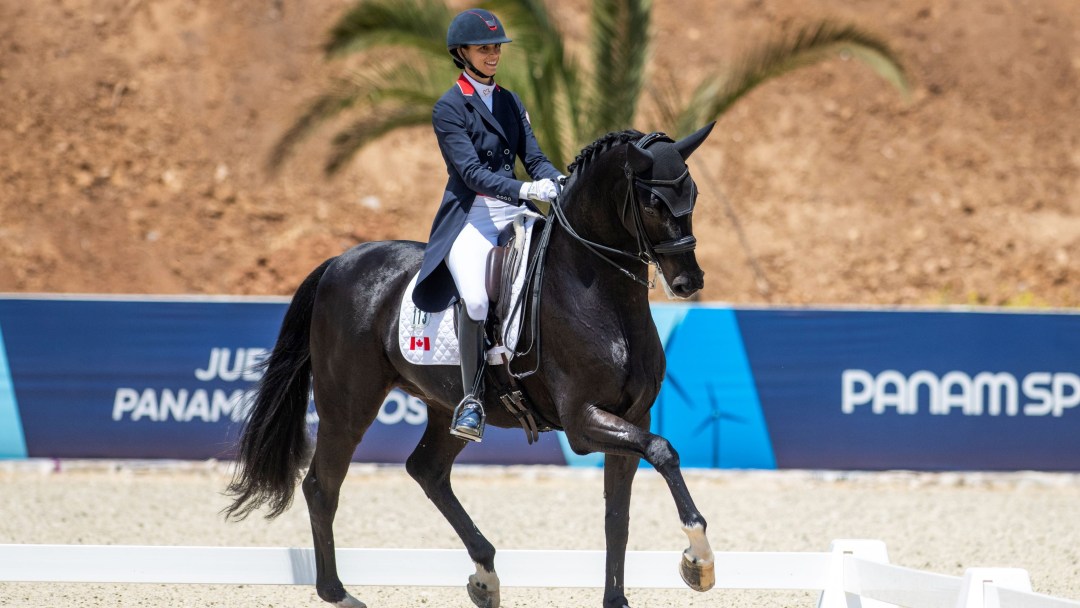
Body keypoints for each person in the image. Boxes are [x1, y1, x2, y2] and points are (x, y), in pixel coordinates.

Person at [411, 8, 563, 443]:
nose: (493, 55)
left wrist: (556, 180)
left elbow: (533, 158)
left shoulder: (512, 101)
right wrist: (527, 191)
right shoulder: (449, 107)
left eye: (496, 47)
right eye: (484, 48)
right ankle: (473, 399)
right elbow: (472, 173)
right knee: (476, 301)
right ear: (462, 53)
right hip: (471, 217)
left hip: (513, 212)